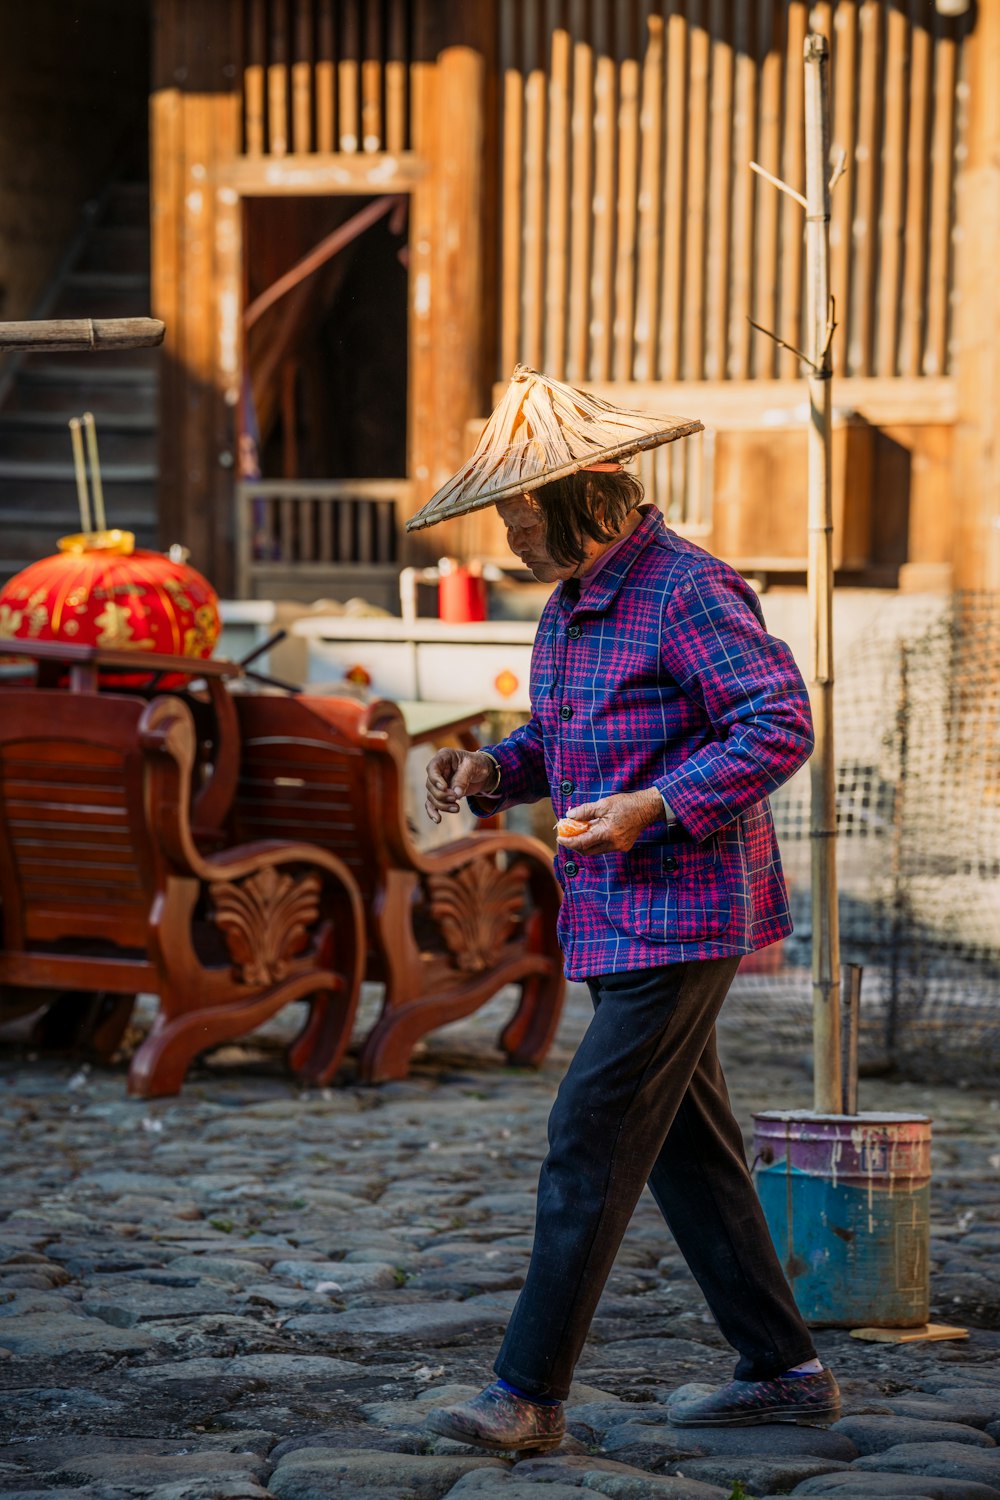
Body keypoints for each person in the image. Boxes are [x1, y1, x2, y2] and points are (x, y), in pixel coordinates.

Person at [407, 366, 839, 1453]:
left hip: (682, 911)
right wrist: (485, 772)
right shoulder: (570, 607)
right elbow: (562, 744)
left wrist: (655, 807)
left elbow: (777, 725)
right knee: (691, 1149)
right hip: (612, 912)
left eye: (517, 513)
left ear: (586, 500)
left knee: (589, 1135)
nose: (507, 536)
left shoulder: (687, 590)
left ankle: (526, 1394)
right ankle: (785, 1370)